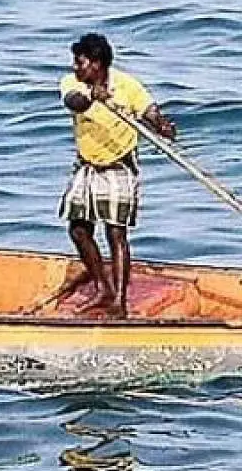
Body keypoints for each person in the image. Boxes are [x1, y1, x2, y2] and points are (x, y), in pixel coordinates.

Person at [59, 33, 175, 317]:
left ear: (96, 64)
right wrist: (91, 96)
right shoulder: (74, 84)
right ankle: (103, 287)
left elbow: (149, 110)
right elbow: (73, 102)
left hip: (119, 165)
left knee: (115, 231)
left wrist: (160, 124)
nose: (75, 67)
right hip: (87, 166)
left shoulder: (127, 85)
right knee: (78, 229)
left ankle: (119, 302)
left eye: (80, 62)